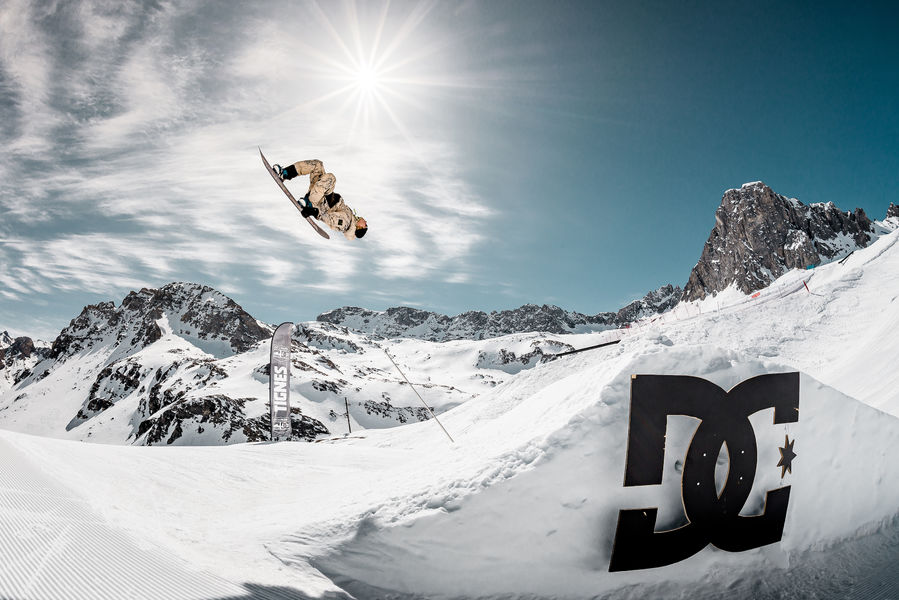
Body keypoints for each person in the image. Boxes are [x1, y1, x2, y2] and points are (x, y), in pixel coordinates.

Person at [273, 159, 368, 240]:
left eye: (365, 225)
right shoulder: (351, 217)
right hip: (320, 195)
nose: (366, 222)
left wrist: (314, 212)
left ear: (359, 227)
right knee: (317, 165)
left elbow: (332, 220)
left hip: (320, 203)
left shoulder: (346, 223)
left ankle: (309, 203)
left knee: (331, 179)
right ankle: (284, 173)